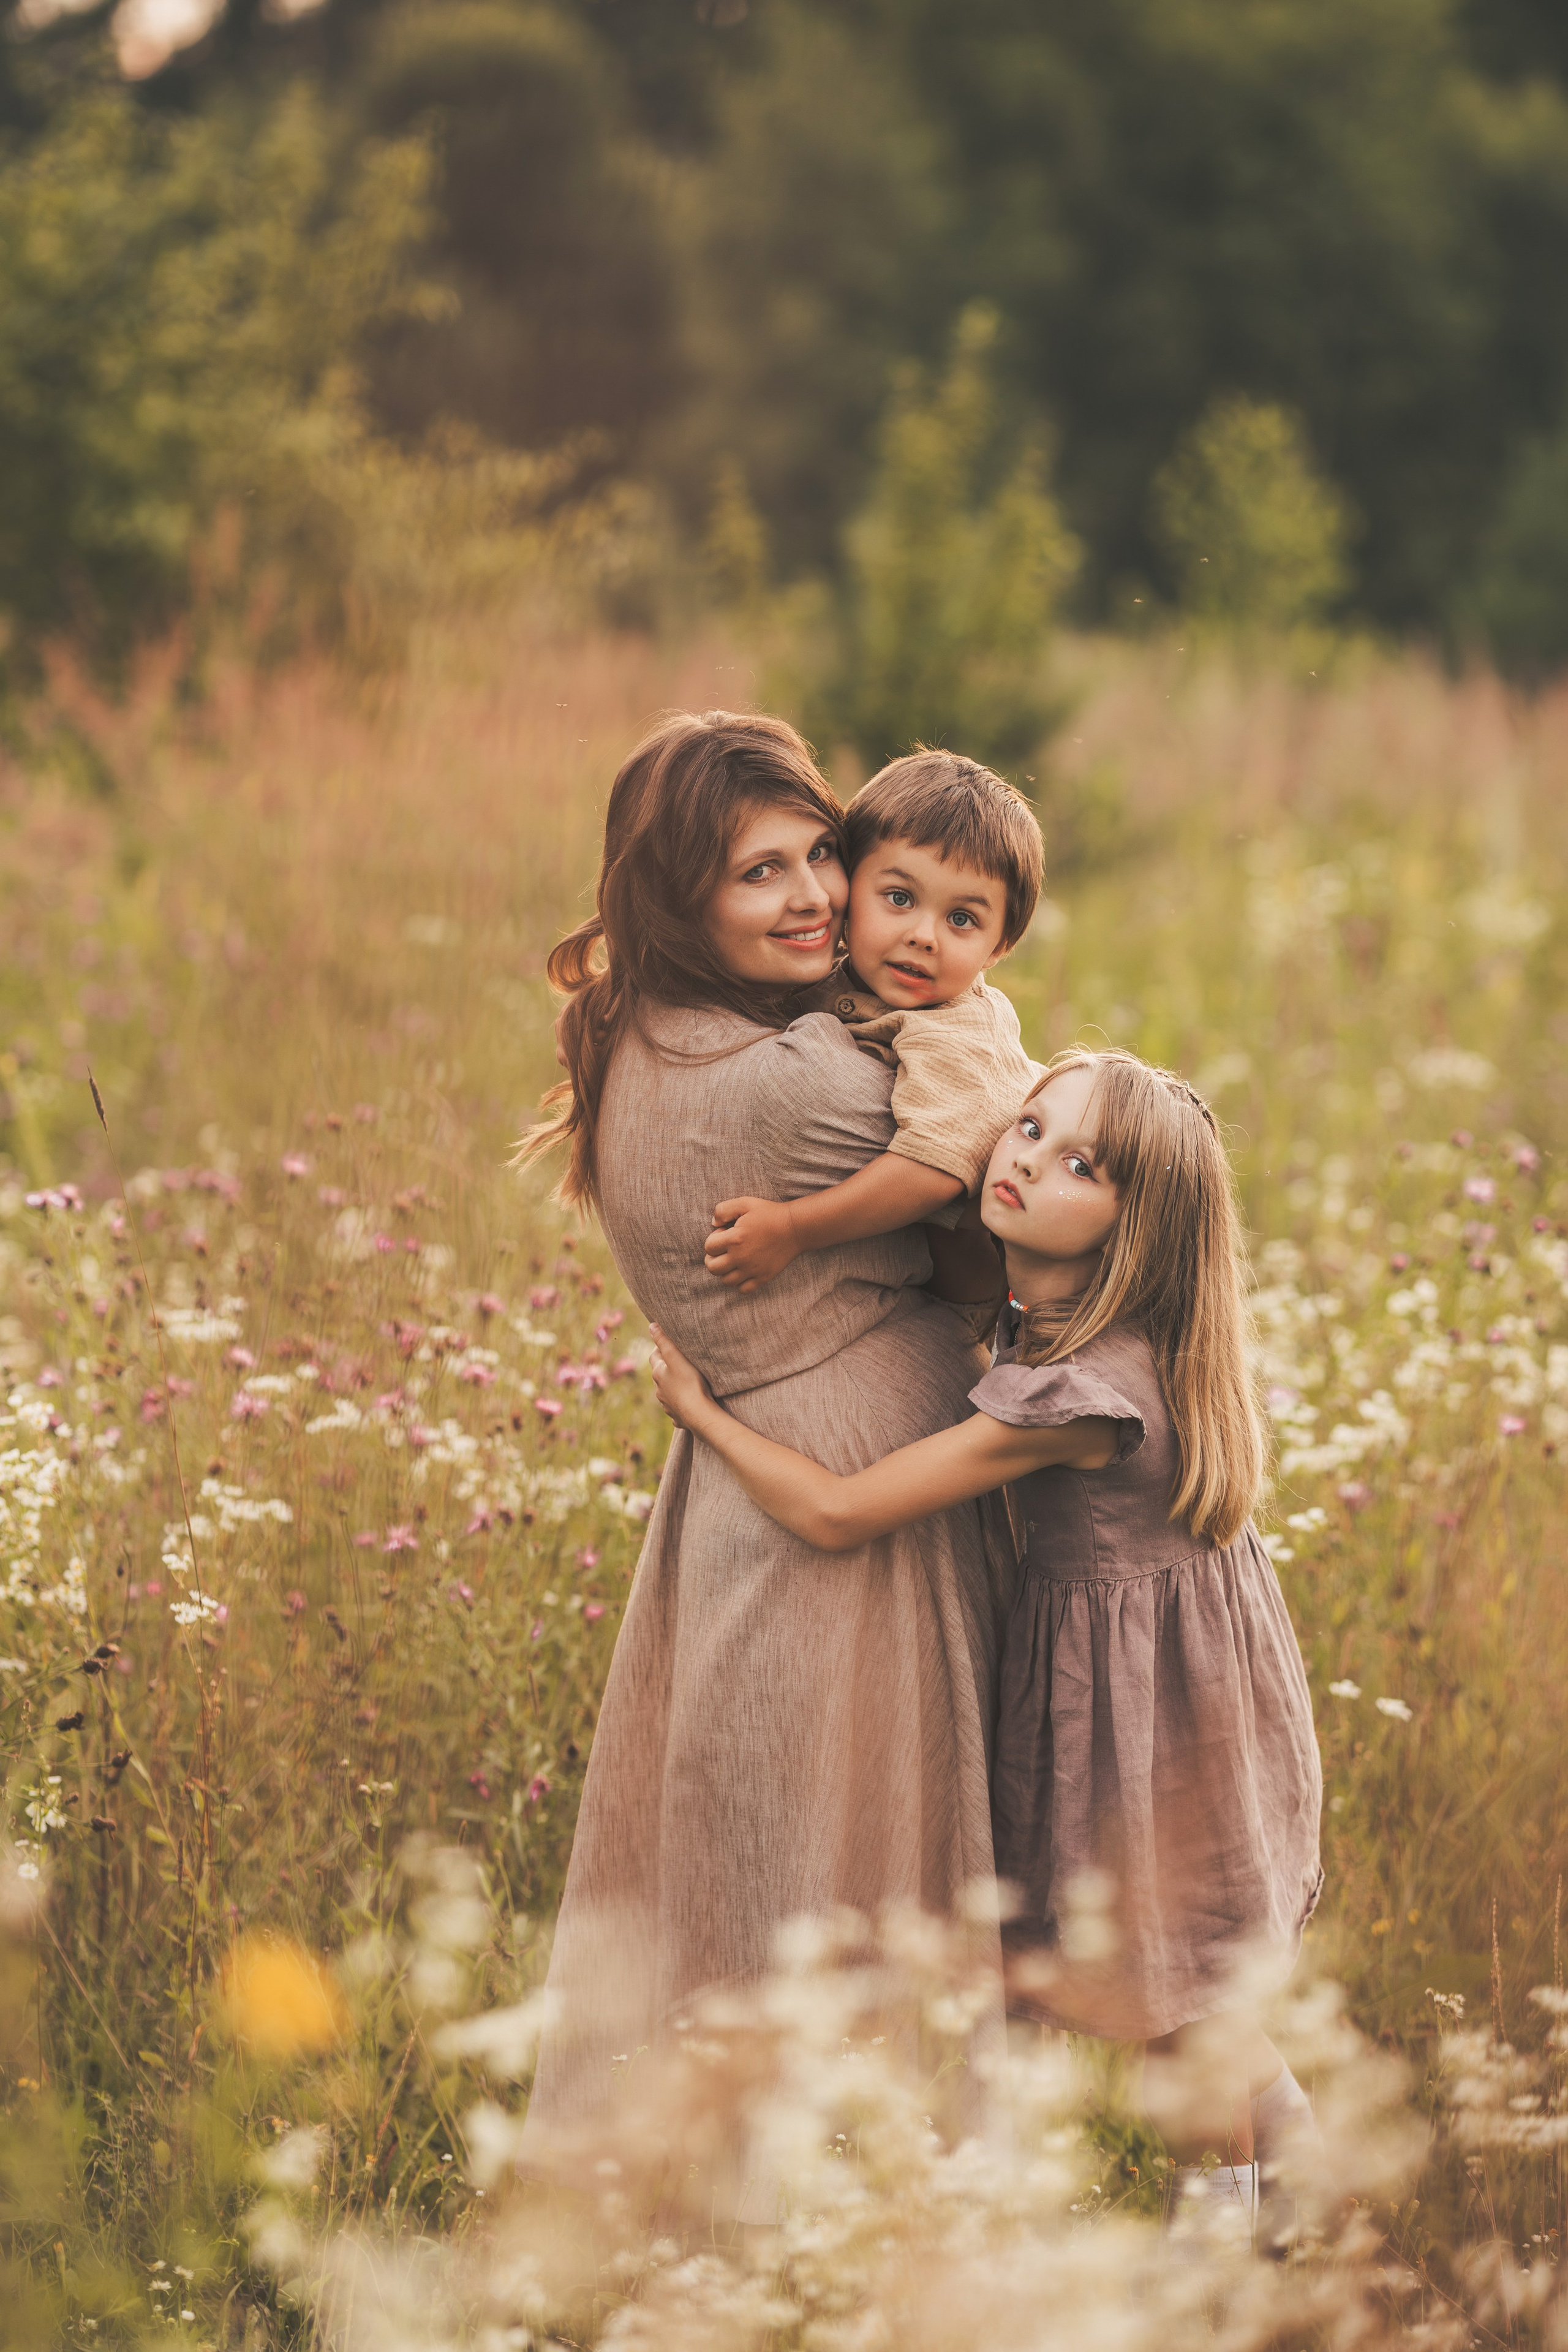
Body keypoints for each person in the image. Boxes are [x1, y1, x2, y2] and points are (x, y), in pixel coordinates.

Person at [648, 1048, 1325, 2229]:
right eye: (1026, 1127)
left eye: (1080, 1164)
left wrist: (703, 1412)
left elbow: (839, 1510)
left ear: (1138, 1227)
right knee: (1183, 1986)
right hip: (1177, 1682)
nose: (1022, 1161)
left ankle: (1228, 2240)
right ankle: (1291, 2172)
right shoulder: (1070, 1333)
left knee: (1179, 2004)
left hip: (1151, 1721)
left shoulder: (1078, 1398)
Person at [515, 711, 1014, 2158]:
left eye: (819, 855)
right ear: (680, 897)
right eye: (757, 874)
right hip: (847, 1521)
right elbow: (992, 1134)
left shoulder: (629, 1034)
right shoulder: (809, 1083)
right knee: (858, 1890)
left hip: (742, 1497)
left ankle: (727, 2233)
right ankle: (862, 2239)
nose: (811, 898)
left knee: (743, 1889)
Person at [703, 749, 1042, 1295]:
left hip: (979, 1300)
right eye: (899, 897)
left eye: (962, 919)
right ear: (847, 886)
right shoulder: (835, 973)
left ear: (999, 945)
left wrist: (793, 1229)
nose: (924, 935)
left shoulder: (962, 1032)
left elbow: (934, 1170)